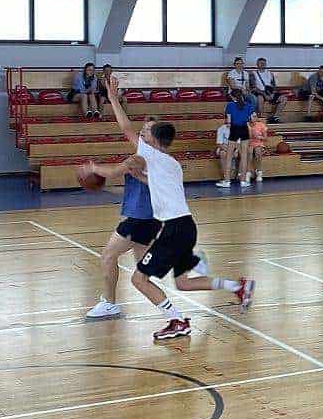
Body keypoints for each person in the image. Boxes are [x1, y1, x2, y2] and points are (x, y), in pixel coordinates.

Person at [90, 76, 253, 342]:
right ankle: (238, 286)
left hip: (174, 229)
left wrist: (112, 100)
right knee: (183, 282)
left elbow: (125, 128)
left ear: (154, 142)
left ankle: (177, 321)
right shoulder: (171, 164)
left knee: (139, 280)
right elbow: (154, 183)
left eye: (145, 134)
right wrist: (138, 176)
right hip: (186, 226)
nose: (140, 136)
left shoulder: (150, 156)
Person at [84, 118, 164, 319]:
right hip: (148, 220)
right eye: (142, 128)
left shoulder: (141, 159)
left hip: (139, 220)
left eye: (147, 130)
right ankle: (172, 313)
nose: (142, 132)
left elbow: (112, 172)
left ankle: (109, 303)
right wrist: (106, 189)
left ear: (156, 136)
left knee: (108, 256)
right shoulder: (154, 157)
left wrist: (93, 169)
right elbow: (134, 190)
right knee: (142, 277)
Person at [217, 89, 257, 188]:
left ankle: (227, 181)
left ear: (233, 97)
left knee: (229, 155)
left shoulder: (230, 105)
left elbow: (229, 121)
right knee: (244, 155)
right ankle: (243, 181)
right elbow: (252, 119)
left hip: (235, 129)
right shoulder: (248, 105)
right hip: (244, 128)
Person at [250, 57, 285, 123]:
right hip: (259, 92)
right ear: (257, 64)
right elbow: (253, 87)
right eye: (261, 63)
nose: (262, 64)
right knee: (260, 98)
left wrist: (272, 94)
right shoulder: (253, 74)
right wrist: (264, 94)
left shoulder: (270, 73)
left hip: (269, 92)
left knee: (283, 98)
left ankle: (275, 117)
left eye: (264, 63)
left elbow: (274, 86)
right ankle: (261, 117)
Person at [248, 112, 268, 181]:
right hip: (248, 144)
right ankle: (248, 172)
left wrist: (258, 137)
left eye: (255, 116)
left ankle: (259, 172)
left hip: (259, 144)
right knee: (249, 153)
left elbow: (266, 138)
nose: (254, 118)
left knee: (258, 152)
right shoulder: (246, 125)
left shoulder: (261, 125)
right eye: (253, 116)